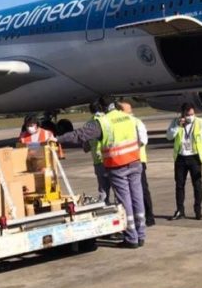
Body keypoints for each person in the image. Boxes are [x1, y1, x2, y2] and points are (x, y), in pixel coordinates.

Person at [55, 97, 146, 248]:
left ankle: (131, 238)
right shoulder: (129, 118)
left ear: (102, 108)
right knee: (137, 196)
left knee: (125, 201)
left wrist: (58, 138)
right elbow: (141, 138)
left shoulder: (103, 122)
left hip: (118, 166)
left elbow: (80, 135)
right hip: (135, 162)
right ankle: (141, 234)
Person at [166, 103, 202, 220]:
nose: (190, 116)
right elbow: (169, 136)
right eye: (188, 114)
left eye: (192, 114)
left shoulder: (200, 122)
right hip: (180, 157)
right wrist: (177, 126)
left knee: (197, 185)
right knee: (179, 185)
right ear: (182, 113)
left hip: (195, 157)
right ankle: (180, 210)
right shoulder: (176, 122)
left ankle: (198, 210)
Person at [117, 101, 154, 227]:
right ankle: (135, 217)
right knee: (129, 192)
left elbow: (143, 140)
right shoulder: (122, 124)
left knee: (142, 190)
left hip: (137, 160)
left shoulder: (136, 122)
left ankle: (149, 216)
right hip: (124, 160)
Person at [84, 100, 110, 204]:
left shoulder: (89, 124)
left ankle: (104, 206)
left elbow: (85, 146)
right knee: (118, 186)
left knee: (103, 189)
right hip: (111, 157)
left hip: (98, 160)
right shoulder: (107, 120)